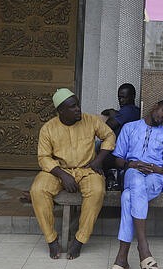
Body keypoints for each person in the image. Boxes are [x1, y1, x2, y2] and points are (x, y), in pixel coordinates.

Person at [30, 88, 116, 259]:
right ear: (61, 111)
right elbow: (43, 158)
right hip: (58, 170)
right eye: (72, 107)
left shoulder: (90, 120)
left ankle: (79, 240)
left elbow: (109, 136)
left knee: (97, 191)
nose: (78, 109)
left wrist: (99, 160)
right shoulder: (48, 128)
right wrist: (63, 175)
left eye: (77, 105)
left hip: (87, 170)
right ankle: (52, 240)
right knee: (38, 190)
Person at [107, 100, 163, 269]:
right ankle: (143, 249)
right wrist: (133, 164)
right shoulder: (130, 128)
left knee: (128, 197)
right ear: (155, 106)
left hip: (156, 178)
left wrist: (156, 168)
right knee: (136, 182)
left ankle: (122, 260)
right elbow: (117, 158)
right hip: (133, 172)